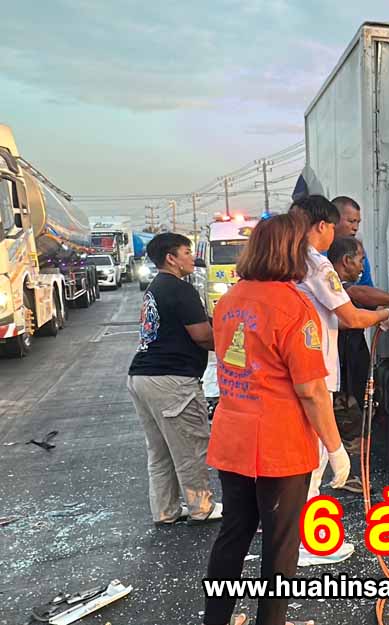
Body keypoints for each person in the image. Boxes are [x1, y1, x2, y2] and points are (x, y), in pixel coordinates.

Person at [203, 213, 348, 625]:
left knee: (233, 534)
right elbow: (312, 390)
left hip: (234, 436)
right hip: (280, 444)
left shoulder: (230, 299)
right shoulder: (293, 306)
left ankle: (215, 619)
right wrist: (336, 448)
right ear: (291, 251)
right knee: (281, 547)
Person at [291, 195, 389, 565]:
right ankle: (308, 544)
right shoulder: (317, 263)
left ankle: (292, 535)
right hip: (313, 371)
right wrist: (386, 314)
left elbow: (332, 317)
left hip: (296, 368)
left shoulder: (289, 262)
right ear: (324, 226)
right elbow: (351, 316)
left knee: (303, 459)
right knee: (314, 458)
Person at [127, 232, 221, 526]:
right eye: (187, 252)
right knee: (190, 447)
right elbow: (203, 335)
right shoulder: (181, 289)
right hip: (171, 379)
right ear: (171, 258)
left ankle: (165, 510)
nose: (193, 258)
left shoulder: (155, 287)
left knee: (160, 451)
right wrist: (235, 344)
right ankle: (201, 507)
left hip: (142, 376)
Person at [327, 237, 372, 493]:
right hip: (340, 367)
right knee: (346, 414)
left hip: (347, 361)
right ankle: (347, 475)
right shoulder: (332, 283)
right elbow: (356, 297)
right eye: (360, 260)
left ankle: (346, 472)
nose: (362, 266)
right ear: (346, 260)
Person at [331, 195, 389, 319]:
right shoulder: (317, 254)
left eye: (358, 222)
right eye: (351, 221)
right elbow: (356, 292)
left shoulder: (358, 252)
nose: (355, 228)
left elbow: (367, 294)